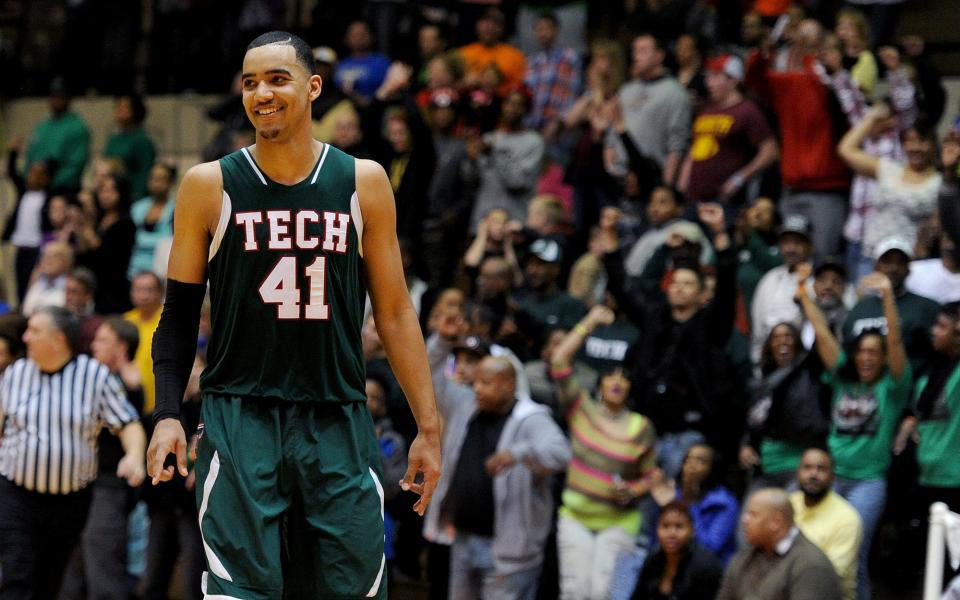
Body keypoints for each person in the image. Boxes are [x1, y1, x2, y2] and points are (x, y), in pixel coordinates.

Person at [145, 32, 440, 599]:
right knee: (240, 591)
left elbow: (397, 312)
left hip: (336, 415)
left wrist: (427, 426)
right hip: (240, 415)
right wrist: (165, 413)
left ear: (312, 88)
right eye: (250, 83)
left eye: (277, 79)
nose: (262, 94)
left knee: (350, 588)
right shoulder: (207, 185)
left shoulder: (363, 181)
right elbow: (180, 314)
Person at [0, 306, 145, 599]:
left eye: (35, 331)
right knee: (17, 573)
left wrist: (134, 455)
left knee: (51, 578)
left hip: (71, 500)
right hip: (16, 493)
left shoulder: (94, 376)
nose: (25, 337)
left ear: (59, 338)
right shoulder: (16, 372)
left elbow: (128, 423)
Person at [798, 264, 911, 600]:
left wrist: (888, 298)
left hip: (867, 482)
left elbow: (896, 341)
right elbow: (822, 332)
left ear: (883, 359)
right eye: (861, 351)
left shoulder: (892, 387)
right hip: (831, 478)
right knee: (814, 551)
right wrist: (803, 293)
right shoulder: (842, 380)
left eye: (874, 353)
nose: (866, 357)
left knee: (852, 556)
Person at [551, 305, 658, 600]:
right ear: (600, 384)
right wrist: (590, 321)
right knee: (574, 592)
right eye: (611, 376)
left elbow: (652, 477)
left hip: (618, 522)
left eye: (624, 378)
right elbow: (559, 360)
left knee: (604, 593)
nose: (617, 382)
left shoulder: (641, 427)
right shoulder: (581, 409)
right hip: (575, 515)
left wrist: (633, 489)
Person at [60, 317, 146, 600]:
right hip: (81, 481)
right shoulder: (91, 378)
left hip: (109, 484)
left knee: (102, 562)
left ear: (121, 348)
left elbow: (134, 428)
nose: (94, 344)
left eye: (103, 340)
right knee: (73, 560)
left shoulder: (129, 383)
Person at [837, 106, 941, 264]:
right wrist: (871, 118)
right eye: (909, 141)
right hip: (871, 256)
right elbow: (846, 149)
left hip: (911, 263)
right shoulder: (889, 169)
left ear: (933, 144)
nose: (915, 148)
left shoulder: (940, 183)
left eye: (922, 141)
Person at [679, 54, 779, 207]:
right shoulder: (706, 110)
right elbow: (695, 148)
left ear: (733, 80)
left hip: (724, 199)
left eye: (716, 76)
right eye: (709, 76)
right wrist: (683, 181)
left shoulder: (747, 110)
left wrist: (739, 178)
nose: (709, 83)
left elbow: (770, 151)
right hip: (694, 197)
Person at [741, 323, 831, 488]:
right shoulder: (760, 385)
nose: (782, 341)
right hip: (765, 469)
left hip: (798, 467)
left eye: (788, 336)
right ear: (769, 346)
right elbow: (752, 422)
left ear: (797, 342)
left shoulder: (812, 373)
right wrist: (746, 445)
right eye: (776, 337)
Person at [717, 488, 842, 600]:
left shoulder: (811, 566)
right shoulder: (744, 557)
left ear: (776, 522)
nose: (744, 520)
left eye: (753, 514)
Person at [790, 447, 863, 600]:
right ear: (798, 472)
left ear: (832, 477)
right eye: (807, 467)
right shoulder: (789, 504)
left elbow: (830, 576)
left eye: (821, 469)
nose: (813, 474)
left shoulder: (847, 518)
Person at [653, 443, 740, 564]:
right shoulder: (674, 494)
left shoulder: (725, 503)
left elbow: (710, 548)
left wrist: (690, 504)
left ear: (712, 468)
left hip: (712, 570)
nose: (691, 465)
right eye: (687, 460)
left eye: (700, 461)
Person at [631, 501, 724, 600]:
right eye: (665, 526)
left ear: (692, 531)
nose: (671, 534)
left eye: (679, 526)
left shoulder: (706, 566)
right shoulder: (652, 560)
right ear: (657, 529)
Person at [23, 77, 90, 193]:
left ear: (69, 99)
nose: (56, 100)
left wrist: (49, 183)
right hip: (34, 189)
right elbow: (30, 157)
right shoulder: (43, 126)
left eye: (61, 96)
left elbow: (75, 166)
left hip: (62, 192)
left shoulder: (78, 127)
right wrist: (28, 178)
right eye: (53, 96)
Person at [103, 94, 157, 200]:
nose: (119, 110)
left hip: (131, 197)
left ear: (135, 111)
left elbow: (145, 174)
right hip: (111, 195)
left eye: (125, 107)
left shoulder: (142, 140)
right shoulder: (113, 139)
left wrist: (138, 200)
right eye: (118, 107)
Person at [129, 163, 177, 278]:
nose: (156, 183)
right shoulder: (137, 208)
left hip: (161, 273)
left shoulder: (176, 210)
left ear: (170, 183)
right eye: (153, 178)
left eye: (161, 179)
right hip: (133, 271)